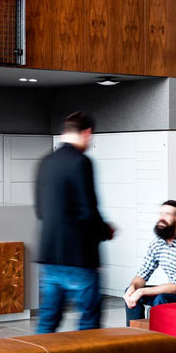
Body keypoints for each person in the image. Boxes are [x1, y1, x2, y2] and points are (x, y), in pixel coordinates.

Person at [35, 111, 114, 333]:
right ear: (87, 133)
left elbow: (40, 211)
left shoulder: (45, 162)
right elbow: (88, 210)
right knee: (89, 321)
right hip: (79, 257)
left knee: (48, 320)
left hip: (50, 255)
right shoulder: (81, 162)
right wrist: (105, 231)